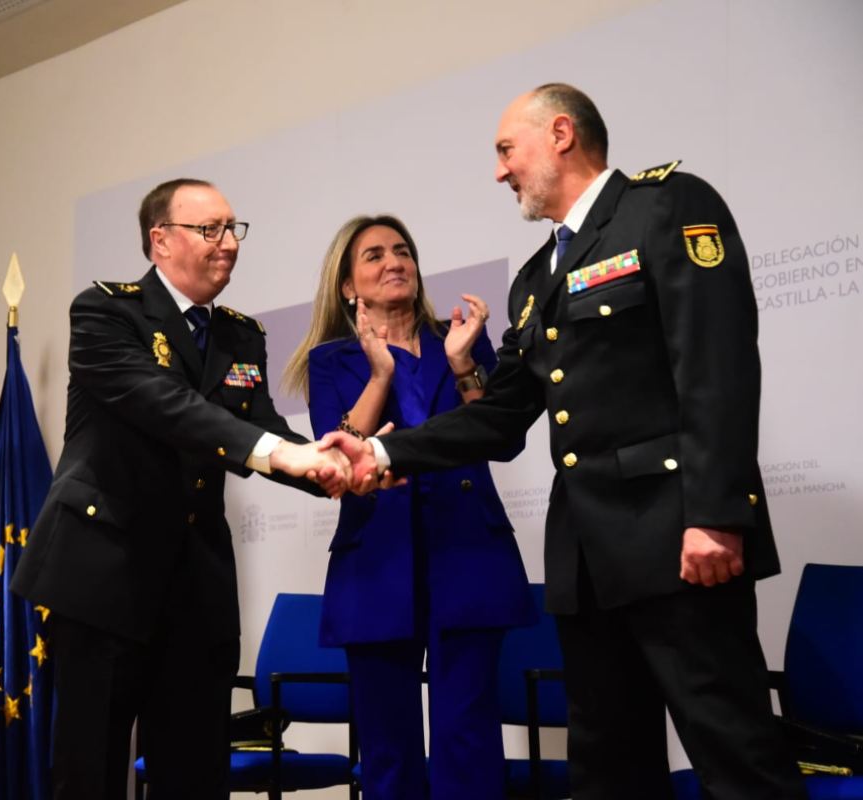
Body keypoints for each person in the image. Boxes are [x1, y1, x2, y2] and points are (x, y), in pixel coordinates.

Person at [327, 84, 806, 799]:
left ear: (558, 134)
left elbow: (716, 365)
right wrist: (388, 453)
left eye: (504, 150)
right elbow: (502, 414)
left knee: (732, 753)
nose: (499, 172)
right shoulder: (536, 276)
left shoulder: (665, 207)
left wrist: (715, 513)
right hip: (587, 557)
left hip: (679, 538)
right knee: (608, 764)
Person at [10, 178, 351, 800]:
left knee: (194, 771)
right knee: (91, 770)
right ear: (159, 241)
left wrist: (331, 464)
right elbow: (166, 406)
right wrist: (282, 453)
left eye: (233, 229)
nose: (227, 244)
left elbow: (257, 425)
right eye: (209, 230)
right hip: (102, 575)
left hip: (195, 585)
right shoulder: (106, 311)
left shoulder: (240, 333)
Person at [284, 214, 535, 799]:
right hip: (377, 558)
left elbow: (505, 439)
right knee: (387, 741)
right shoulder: (332, 359)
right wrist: (380, 374)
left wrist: (463, 364)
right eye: (373, 255)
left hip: (469, 550)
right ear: (348, 286)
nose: (393, 262)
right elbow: (337, 456)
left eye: (402, 251)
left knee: (466, 735)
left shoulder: (461, 341)